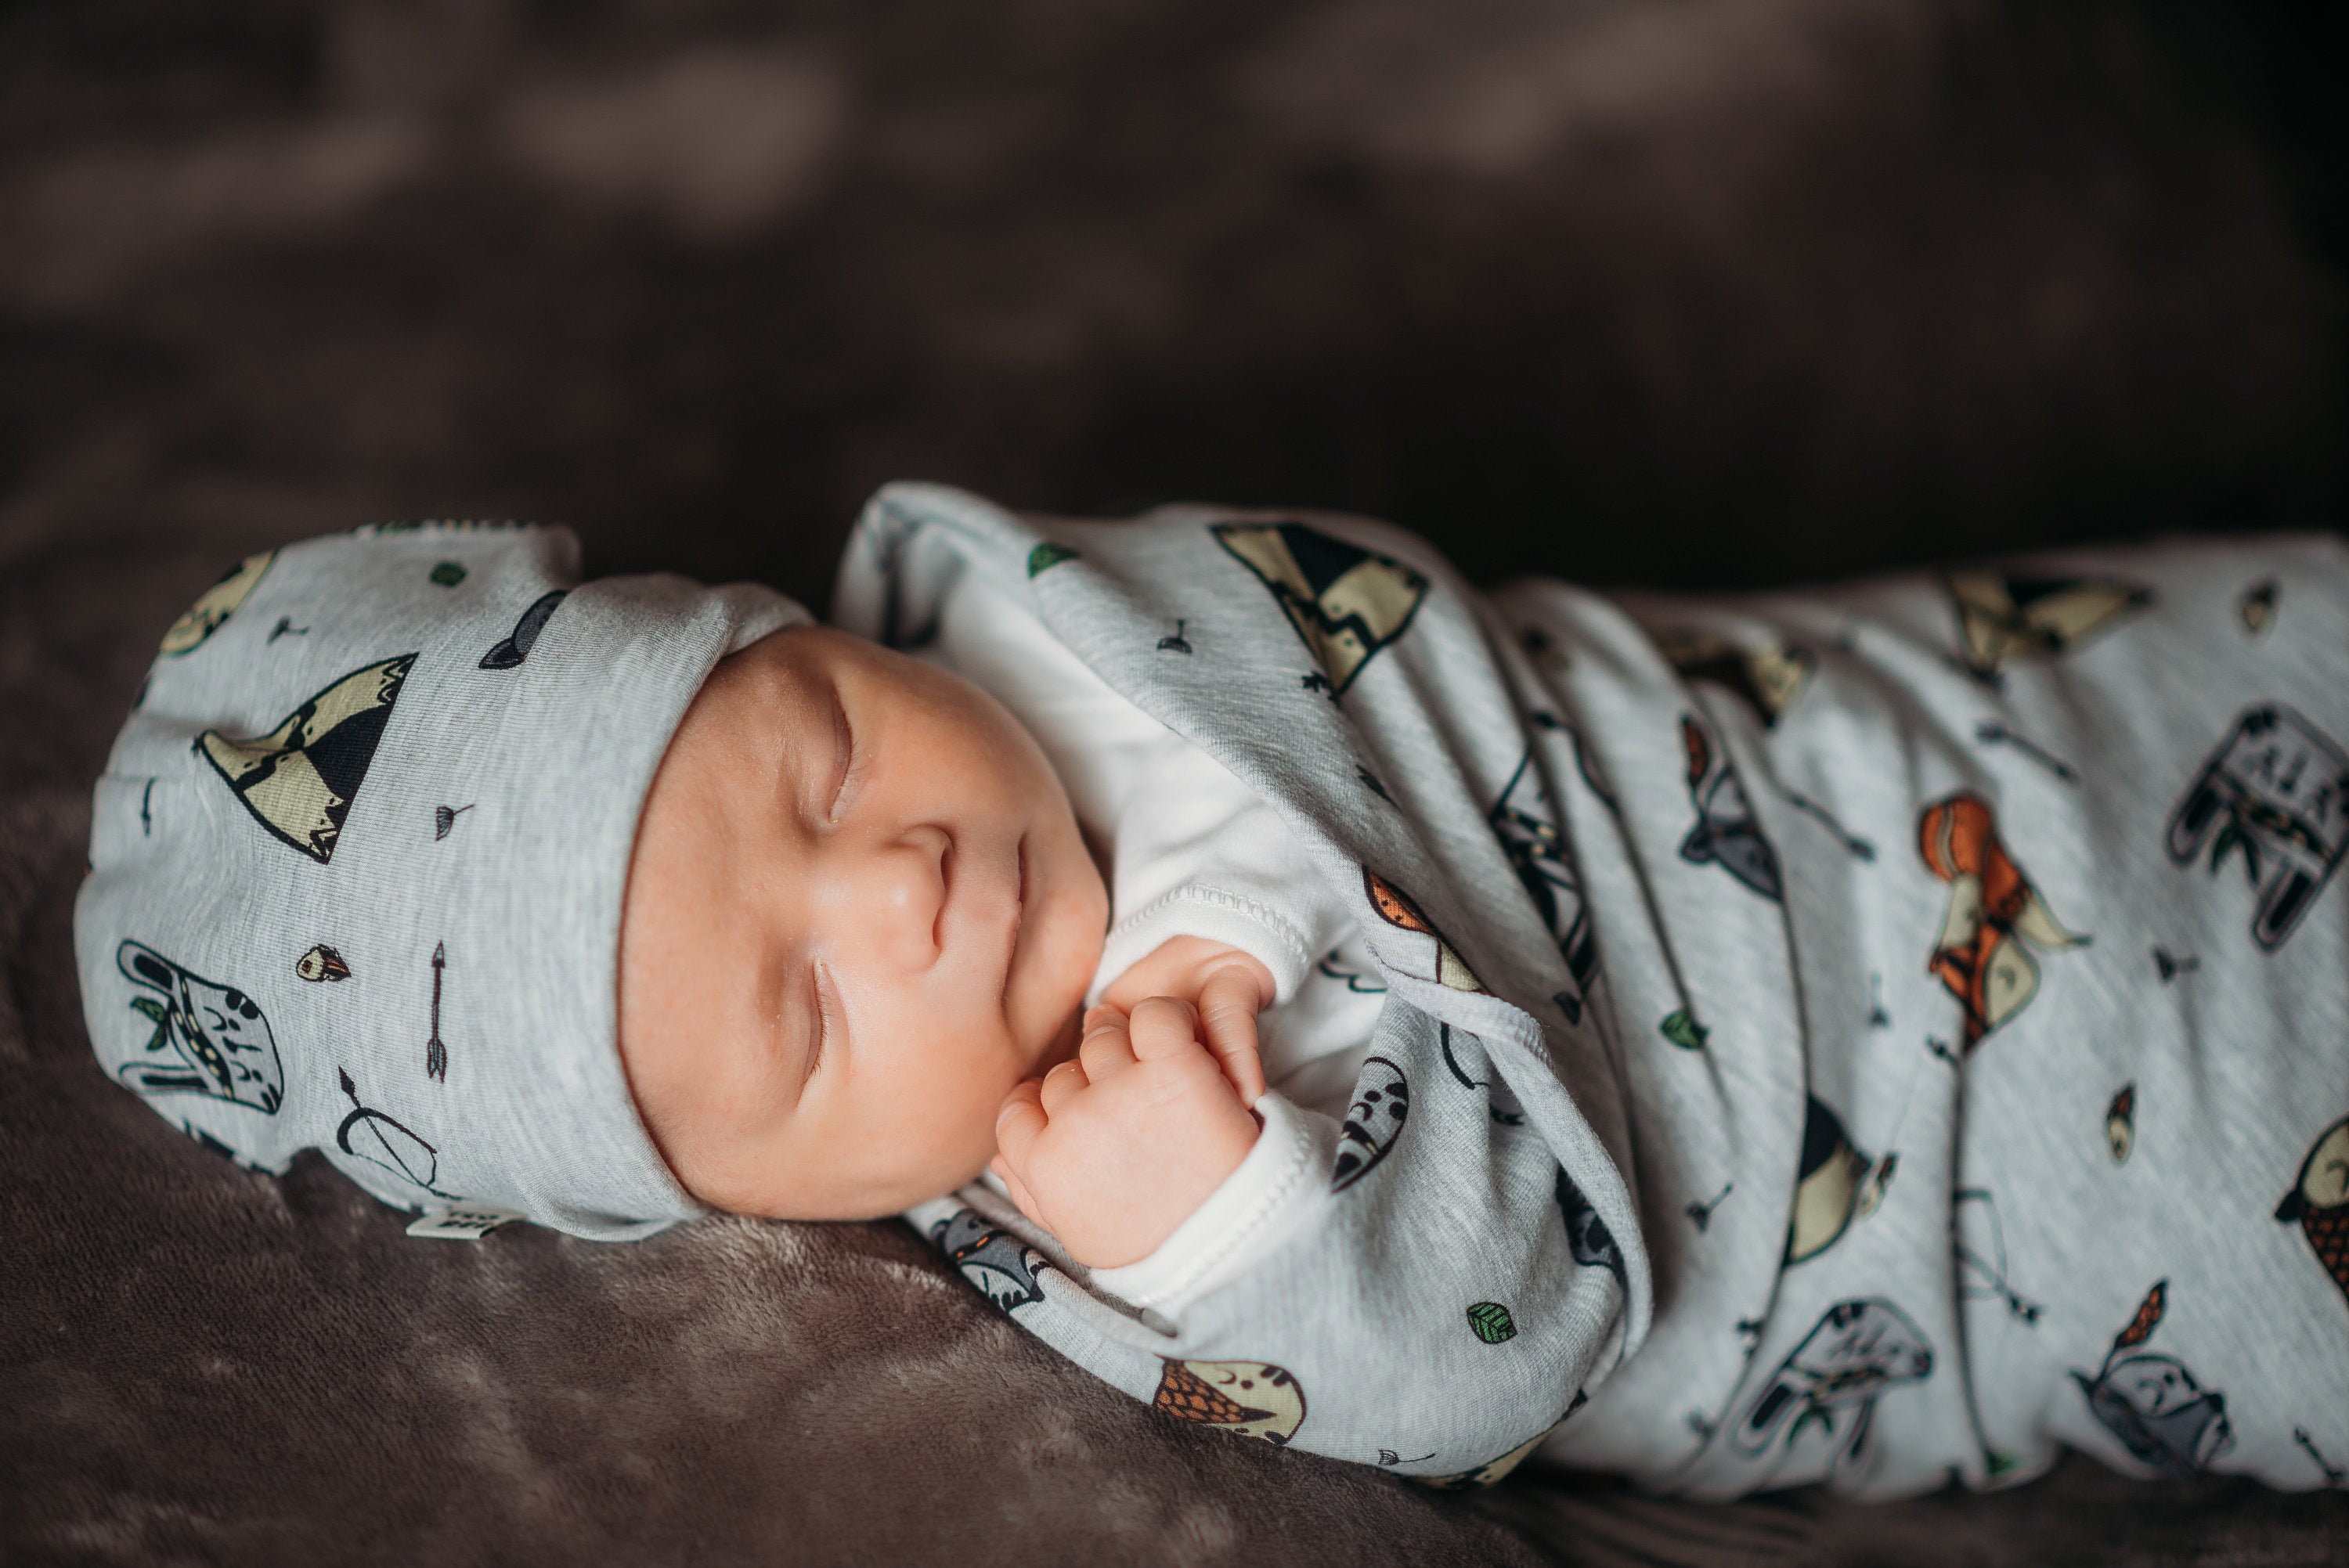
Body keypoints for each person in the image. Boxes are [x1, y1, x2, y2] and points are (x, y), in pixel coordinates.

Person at [76, 485, 2349, 1498]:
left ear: (805, 623)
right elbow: (1501, 1353)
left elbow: (1378, 628)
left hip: (1953, 750)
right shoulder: (1047, 1219)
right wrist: (1231, 1235)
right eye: (799, 1020)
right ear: (717, 1195)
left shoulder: (1074, 622)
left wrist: (1264, 909)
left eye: (826, 750)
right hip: (2009, 1191)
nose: (898, 891)